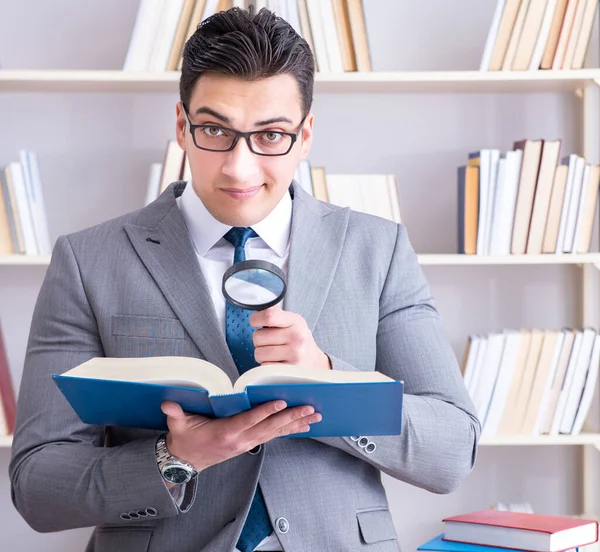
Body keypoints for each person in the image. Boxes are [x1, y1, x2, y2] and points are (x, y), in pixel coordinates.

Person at [9, 6, 480, 552]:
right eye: (215, 130)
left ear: (304, 136)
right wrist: (177, 458)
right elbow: (38, 484)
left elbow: (452, 451)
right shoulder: (90, 260)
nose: (240, 167)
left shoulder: (377, 248)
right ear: (183, 127)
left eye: (271, 135)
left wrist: (327, 375)